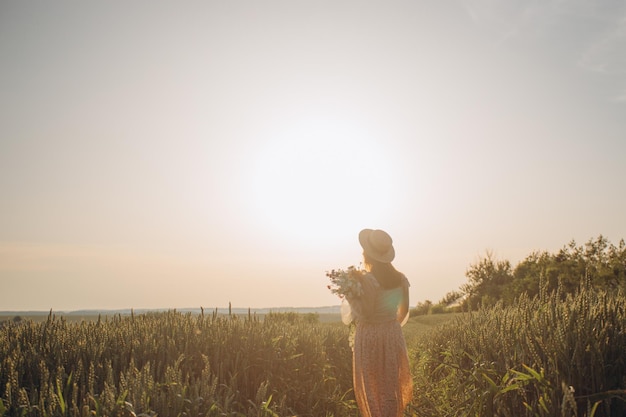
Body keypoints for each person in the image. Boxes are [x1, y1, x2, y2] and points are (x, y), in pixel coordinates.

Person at [343, 228, 413, 417]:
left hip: (369, 335)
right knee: (390, 381)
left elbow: (365, 313)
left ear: (368, 254)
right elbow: (404, 310)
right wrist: (389, 324)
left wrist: (351, 298)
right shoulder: (401, 278)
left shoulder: (366, 280)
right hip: (392, 333)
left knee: (371, 383)